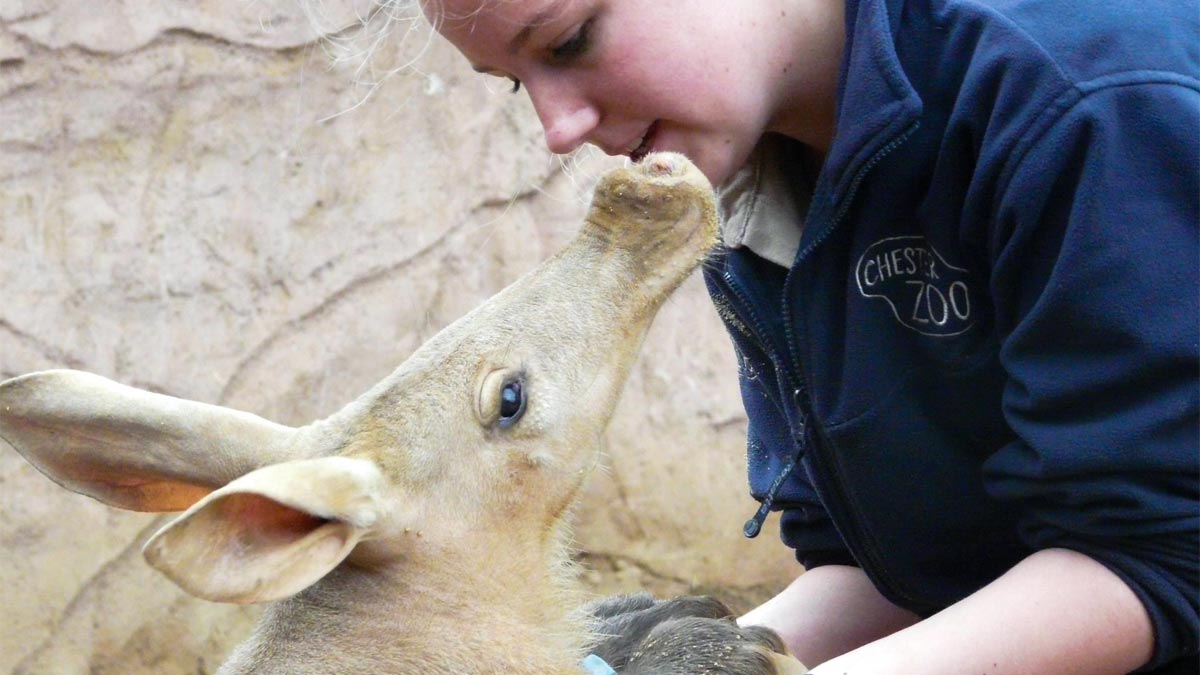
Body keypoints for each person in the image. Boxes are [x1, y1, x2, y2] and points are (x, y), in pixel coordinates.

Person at [414, 0, 1199, 672]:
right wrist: (723, 656)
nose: (556, 128)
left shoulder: (1083, 98)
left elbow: (1164, 554)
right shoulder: (747, 167)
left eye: (569, 41)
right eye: (514, 81)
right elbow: (890, 566)